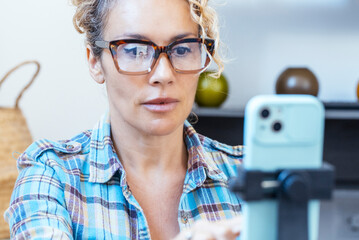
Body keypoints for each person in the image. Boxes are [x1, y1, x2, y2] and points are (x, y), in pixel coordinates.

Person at [4, 0, 243, 239]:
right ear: (95, 62)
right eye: (135, 50)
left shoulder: (249, 172)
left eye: (182, 49)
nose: (163, 75)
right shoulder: (51, 177)